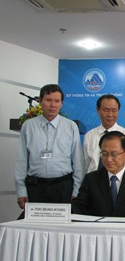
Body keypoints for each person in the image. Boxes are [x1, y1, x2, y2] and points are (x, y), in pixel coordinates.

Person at [14, 84, 85, 219]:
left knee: (62, 229)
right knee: (35, 228)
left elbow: (78, 163)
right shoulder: (28, 126)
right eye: (48, 100)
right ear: (40, 101)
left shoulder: (70, 127)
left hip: (63, 187)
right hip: (35, 187)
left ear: (62, 103)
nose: (53, 105)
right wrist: (21, 191)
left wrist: (76, 191)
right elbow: (21, 161)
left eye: (57, 101)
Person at [72, 131, 125, 219]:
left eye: (114, 154)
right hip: (99, 230)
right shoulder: (91, 179)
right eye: (104, 154)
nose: (109, 159)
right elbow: (79, 207)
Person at [83, 94, 125, 173]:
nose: (110, 115)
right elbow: (85, 165)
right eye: (106, 110)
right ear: (98, 110)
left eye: (114, 110)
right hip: (93, 181)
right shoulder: (89, 136)